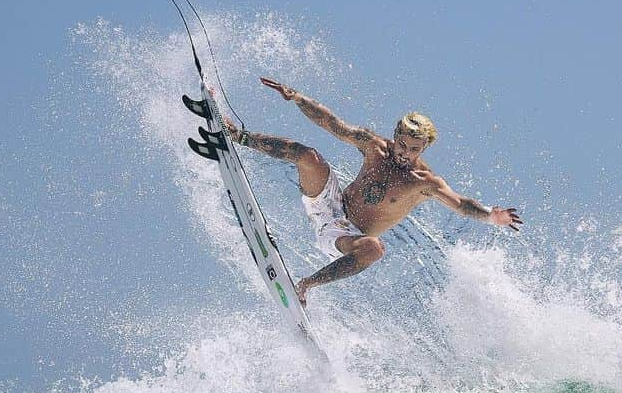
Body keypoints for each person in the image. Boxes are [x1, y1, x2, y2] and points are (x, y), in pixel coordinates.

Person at [224, 77, 522, 305]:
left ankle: (305, 285)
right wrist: (297, 97)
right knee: (309, 156)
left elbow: (460, 203)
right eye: (402, 144)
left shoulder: (424, 181)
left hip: (345, 236)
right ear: (395, 135)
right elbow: (332, 124)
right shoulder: (375, 147)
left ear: (425, 148)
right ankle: (238, 136)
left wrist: (489, 216)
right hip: (330, 205)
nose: (404, 153)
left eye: (414, 149)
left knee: (374, 249)